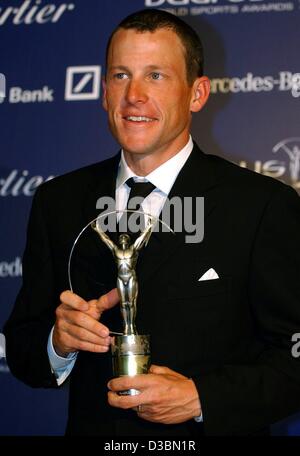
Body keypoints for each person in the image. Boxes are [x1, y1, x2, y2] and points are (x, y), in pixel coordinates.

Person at [3, 9, 300, 436]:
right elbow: (23, 349)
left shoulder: (260, 205)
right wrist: (58, 342)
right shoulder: (60, 201)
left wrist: (202, 397)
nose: (134, 95)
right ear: (104, 91)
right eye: (121, 75)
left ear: (197, 94)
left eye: (156, 76)